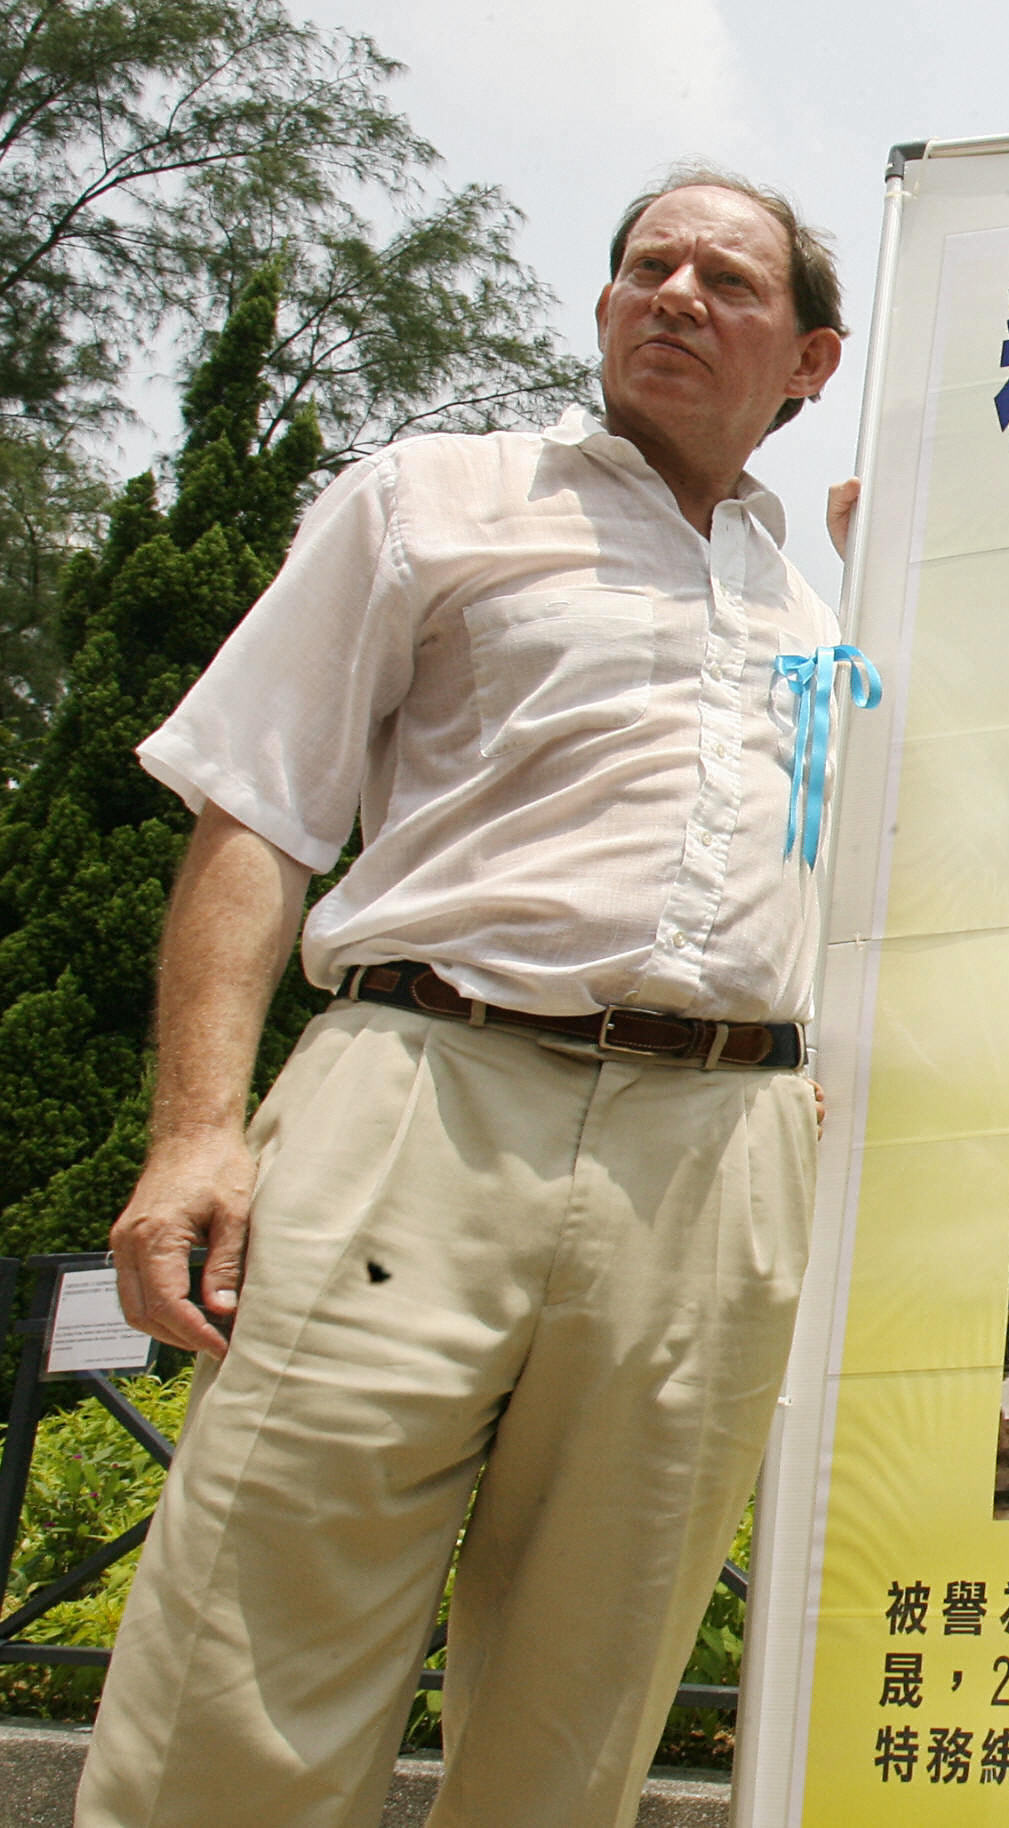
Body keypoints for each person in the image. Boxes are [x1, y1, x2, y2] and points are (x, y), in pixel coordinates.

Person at [79, 166, 850, 1828]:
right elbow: (256, 808)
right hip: (426, 1080)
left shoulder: (832, 607)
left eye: (726, 279)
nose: (672, 295)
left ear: (813, 359)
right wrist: (195, 1131)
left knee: (595, 1681)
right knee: (254, 1628)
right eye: (645, 264)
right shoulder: (431, 498)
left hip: (718, 1147)